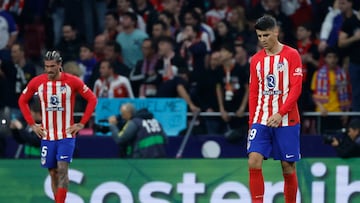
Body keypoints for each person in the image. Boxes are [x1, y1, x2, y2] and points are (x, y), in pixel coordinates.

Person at [18, 51, 97, 203]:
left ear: (60, 65)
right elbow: (22, 100)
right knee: (53, 172)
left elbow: (92, 99)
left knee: (62, 169)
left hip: (66, 134)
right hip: (47, 135)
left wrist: (82, 123)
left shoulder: (72, 81)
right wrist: (32, 125)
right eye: (46, 66)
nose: (49, 70)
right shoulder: (37, 82)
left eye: (52, 66)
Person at [248, 15, 303, 203]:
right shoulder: (255, 60)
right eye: (259, 36)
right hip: (261, 119)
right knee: (253, 160)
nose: (262, 40)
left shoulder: (292, 55)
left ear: (276, 32)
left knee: (287, 167)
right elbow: (254, 93)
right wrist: (251, 123)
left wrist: (280, 113)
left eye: (266, 35)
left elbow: (296, 88)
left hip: (287, 119)